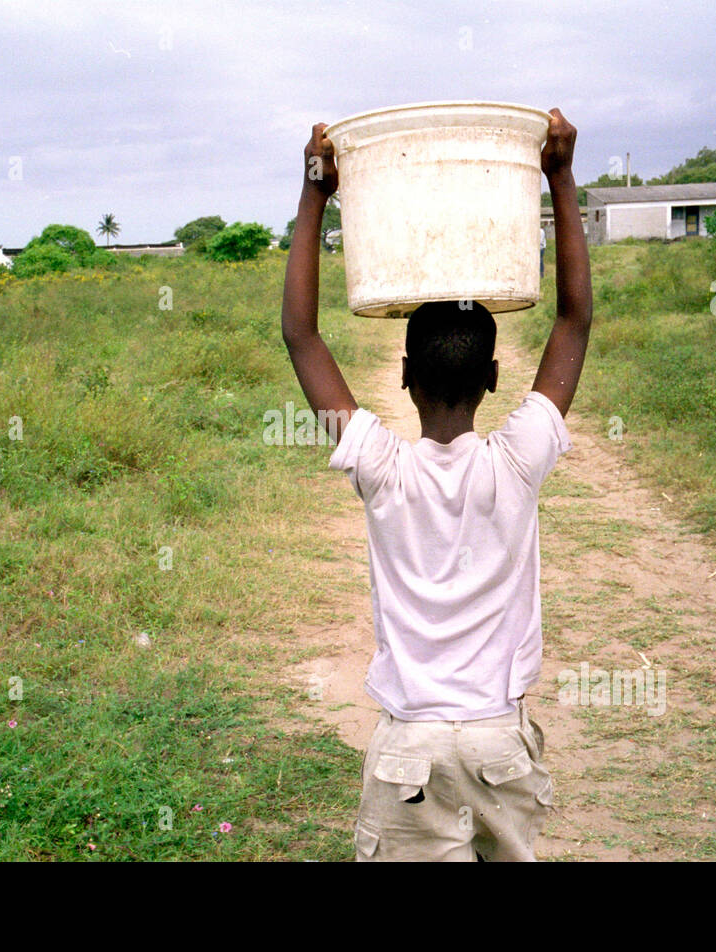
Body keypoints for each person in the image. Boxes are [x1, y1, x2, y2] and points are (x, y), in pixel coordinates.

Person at [280, 108, 592, 861]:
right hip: (498, 740)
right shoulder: (519, 458)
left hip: (410, 749)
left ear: (403, 377)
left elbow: (301, 334)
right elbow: (575, 320)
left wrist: (315, 191)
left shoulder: (381, 467)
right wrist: (559, 176)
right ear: (494, 378)